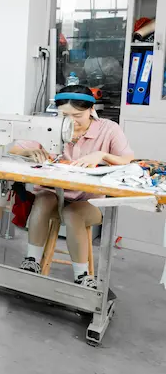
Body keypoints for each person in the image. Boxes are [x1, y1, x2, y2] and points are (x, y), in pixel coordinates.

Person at [9, 85, 134, 288]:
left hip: (89, 201)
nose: (71, 121)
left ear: (91, 110)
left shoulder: (108, 129)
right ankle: (31, 261)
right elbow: (13, 146)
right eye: (65, 115)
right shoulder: (51, 126)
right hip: (54, 193)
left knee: (73, 214)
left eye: (77, 115)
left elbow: (128, 158)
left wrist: (102, 155)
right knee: (42, 201)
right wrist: (28, 153)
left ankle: (82, 276)